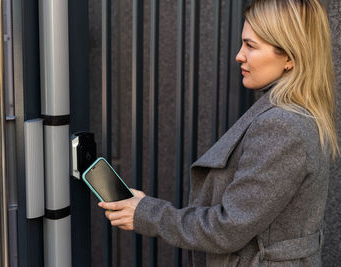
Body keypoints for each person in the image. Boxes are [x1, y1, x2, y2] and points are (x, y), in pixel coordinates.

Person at [98, 0, 339, 265]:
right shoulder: (295, 113)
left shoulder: (283, 125)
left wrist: (147, 214)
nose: (239, 55)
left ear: (290, 57)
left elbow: (227, 229)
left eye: (250, 45)